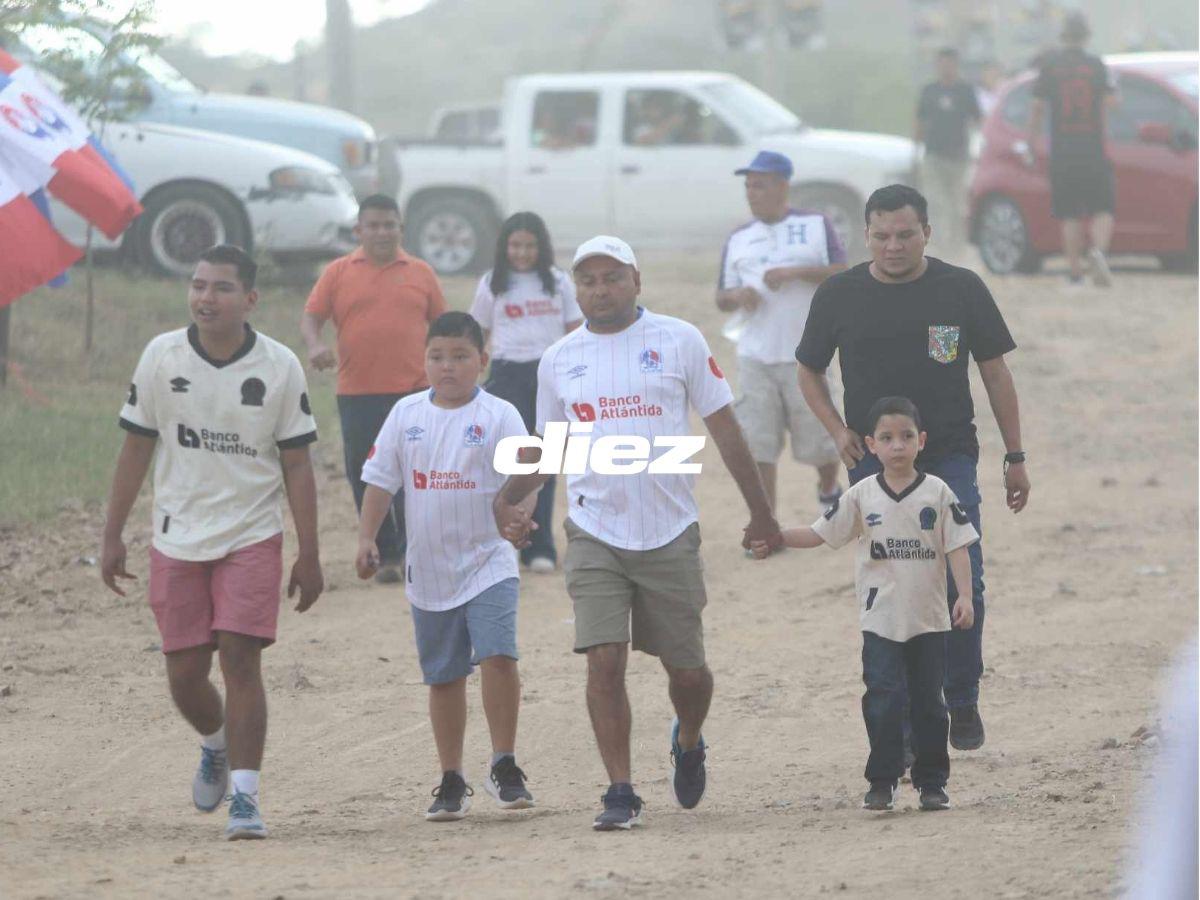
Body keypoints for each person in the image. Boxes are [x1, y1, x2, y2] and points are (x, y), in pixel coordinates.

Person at [493, 235, 782, 830]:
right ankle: (619, 791)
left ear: (636, 281)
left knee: (689, 674)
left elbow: (725, 428)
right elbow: (549, 449)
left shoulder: (679, 339)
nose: (600, 290)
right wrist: (509, 499)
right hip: (595, 530)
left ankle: (691, 736)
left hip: (670, 529)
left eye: (612, 277)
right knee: (603, 661)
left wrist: (762, 512)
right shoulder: (560, 359)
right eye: (588, 280)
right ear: (577, 290)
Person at [796, 184, 1030, 754]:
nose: (893, 246)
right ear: (866, 235)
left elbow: (996, 373)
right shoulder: (839, 294)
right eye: (881, 236)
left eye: (905, 234)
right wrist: (837, 431)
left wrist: (1015, 456)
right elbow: (808, 371)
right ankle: (898, 723)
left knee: (960, 574)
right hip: (872, 465)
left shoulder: (960, 289)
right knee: (891, 585)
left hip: (948, 456)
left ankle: (962, 694)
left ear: (928, 232)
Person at [100, 244, 324, 841]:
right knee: (184, 673)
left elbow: (297, 465)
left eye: (221, 288)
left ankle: (246, 800)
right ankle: (216, 743)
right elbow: (136, 449)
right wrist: (112, 533)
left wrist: (310, 551)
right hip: (177, 534)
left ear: (249, 299)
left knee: (240, 657)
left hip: (251, 532)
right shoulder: (161, 356)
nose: (206, 297)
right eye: (198, 285)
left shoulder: (279, 366)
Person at [751, 396, 977, 811]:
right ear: (871, 445)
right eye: (887, 438)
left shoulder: (938, 493)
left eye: (906, 437)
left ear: (921, 441)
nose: (897, 446)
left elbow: (958, 545)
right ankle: (883, 779)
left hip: (928, 618)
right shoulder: (861, 496)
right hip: (880, 620)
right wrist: (779, 535)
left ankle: (932, 782)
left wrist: (964, 595)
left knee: (930, 704)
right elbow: (821, 533)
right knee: (883, 697)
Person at [356, 311, 537, 821]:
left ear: (482, 360)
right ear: (425, 361)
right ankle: (451, 777)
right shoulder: (406, 415)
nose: (448, 367)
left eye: (460, 356)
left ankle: (504, 763)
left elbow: (524, 478)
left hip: (489, 560)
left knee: (499, 656)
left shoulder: (500, 414)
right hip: (430, 568)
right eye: (437, 356)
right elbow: (380, 480)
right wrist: (367, 537)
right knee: (444, 676)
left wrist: (520, 518)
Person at [301, 194, 447, 584]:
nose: (382, 232)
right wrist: (315, 346)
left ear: (401, 228)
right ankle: (384, 553)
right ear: (359, 230)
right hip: (357, 392)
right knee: (365, 474)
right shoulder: (338, 272)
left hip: (414, 393)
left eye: (389, 225)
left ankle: (418, 549)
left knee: (415, 473)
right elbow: (312, 318)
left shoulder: (421, 273)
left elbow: (444, 327)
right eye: (374, 225)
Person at [716, 149, 846, 515]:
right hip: (754, 354)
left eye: (760, 185)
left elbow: (841, 271)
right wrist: (738, 296)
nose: (752, 193)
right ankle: (765, 517)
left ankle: (827, 488)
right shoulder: (739, 237)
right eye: (748, 186)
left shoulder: (816, 224)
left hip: (807, 356)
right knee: (757, 443)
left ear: (783, 186)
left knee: (821, 441)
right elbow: (721, 297)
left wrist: (794, 272)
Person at [471, 211, 582, 574]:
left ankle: (539, 545)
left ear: (542, 247)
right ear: (505, 246)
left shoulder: (557, 281)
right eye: (515, 245)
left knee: (544, 461)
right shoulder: (492, 283)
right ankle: (502, 541)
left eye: (530, 245)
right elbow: (477, 334)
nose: (522, 253)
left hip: (548, 375)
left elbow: (575, 331)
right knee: (507, 460)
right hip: (505, 376)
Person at [1028, 12, 1119, 288]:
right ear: (1086, 36)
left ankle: (1076, 274)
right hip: (1092, 148)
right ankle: (1098, 252)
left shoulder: (1050, 66)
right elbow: (1111, 103)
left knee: (1069, 214)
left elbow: (1037, 109)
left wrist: (1031, 141)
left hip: (1063, 151)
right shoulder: (1097, 65)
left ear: (1063, 36)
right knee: (1103, 207)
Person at [915, 48, 982, 256]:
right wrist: (916, 145)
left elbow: (978, 119)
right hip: (933, 155)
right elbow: (919, 119)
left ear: (956, 65)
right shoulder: (929, 90)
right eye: (942, 63)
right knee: (935, 202)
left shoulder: (966, 90)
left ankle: (957, 246)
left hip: (959, 156)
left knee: (957, 205)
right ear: (937, 65)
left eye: (950, 63)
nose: (946, 67)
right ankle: (938, 245)